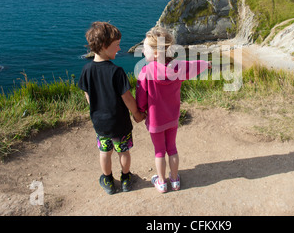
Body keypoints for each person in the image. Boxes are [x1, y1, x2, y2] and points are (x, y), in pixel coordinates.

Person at [136, 27, 211, 193]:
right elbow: (195, 65)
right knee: (172, 148)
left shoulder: (146, 71)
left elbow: (141, 96)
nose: (142, 50)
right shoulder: (179, 67)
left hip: (156, 120)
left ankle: (161, 182)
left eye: (146, 48)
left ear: (156, 53)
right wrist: (207, 63)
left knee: (159, 151)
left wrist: (140, 111)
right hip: (172, 118)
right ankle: (175, 180)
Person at [78, 22, 145, 195]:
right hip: (120, 124)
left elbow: (87, 95)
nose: (119, 48)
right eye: (116, 45)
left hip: (100, 124)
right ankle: (125, 179)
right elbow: (128, 98)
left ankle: (107, 180)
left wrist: (96, 109)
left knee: (104, 152)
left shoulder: (86, 70)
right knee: (123, 152)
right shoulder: (117, 72)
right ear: (104, 46)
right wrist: (137, 113)